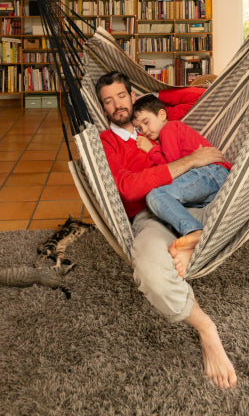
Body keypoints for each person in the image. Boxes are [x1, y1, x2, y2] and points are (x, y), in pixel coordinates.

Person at [95, 71, 238, 389]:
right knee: (151, 273)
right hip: (151, 216)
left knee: (221, 206)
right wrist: (189, 162)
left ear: (132, 97)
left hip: (204, 201)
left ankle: (192, 238)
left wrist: (164, 91)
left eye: (121, 96)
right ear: (102, 109)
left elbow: (197, 98)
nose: (117, 105)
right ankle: (205, 327)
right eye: (108, 101)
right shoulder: (107, 141)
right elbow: (129, 188)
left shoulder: (156, 123)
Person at [131, 93, 231, 279]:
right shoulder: (167, 136)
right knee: (162, 208)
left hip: (211, 172)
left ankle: (195, 232)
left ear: (162, 115)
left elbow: (175, 167)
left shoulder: (169, 128)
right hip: (211, 181)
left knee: (155, 196)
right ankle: (189, 248)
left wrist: (150, 149)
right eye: (138, 128)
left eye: (146, 122)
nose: (143, 130)